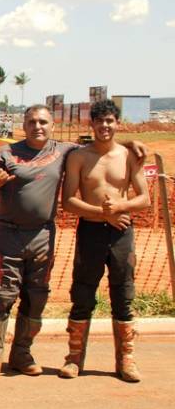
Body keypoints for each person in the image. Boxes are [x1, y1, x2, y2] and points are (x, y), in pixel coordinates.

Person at [0, 104, 145, 380]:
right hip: (9, 235)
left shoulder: (64, 151)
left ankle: (21, 354)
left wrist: (129, 142)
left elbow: (101, 143)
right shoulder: (5, 154)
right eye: (32, 122)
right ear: (24, 125)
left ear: (52, 126)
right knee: (1, 295)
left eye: (43, 122)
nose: (37, 127)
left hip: (42, 235)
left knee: (36, 297)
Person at [60, 100, 149, 382]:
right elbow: (68, 201)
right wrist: (103, 214)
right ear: (92, 124)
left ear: (117, 123)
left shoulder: (128, 155)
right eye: (99, 121)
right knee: (82, 294)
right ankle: (74, 358)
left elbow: (144, 198)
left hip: (121, 232)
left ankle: (126, 360)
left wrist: (120, 208)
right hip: (91, 231)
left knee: (123, 294)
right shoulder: (78, 157)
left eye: (110, 120)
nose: (105, 126)